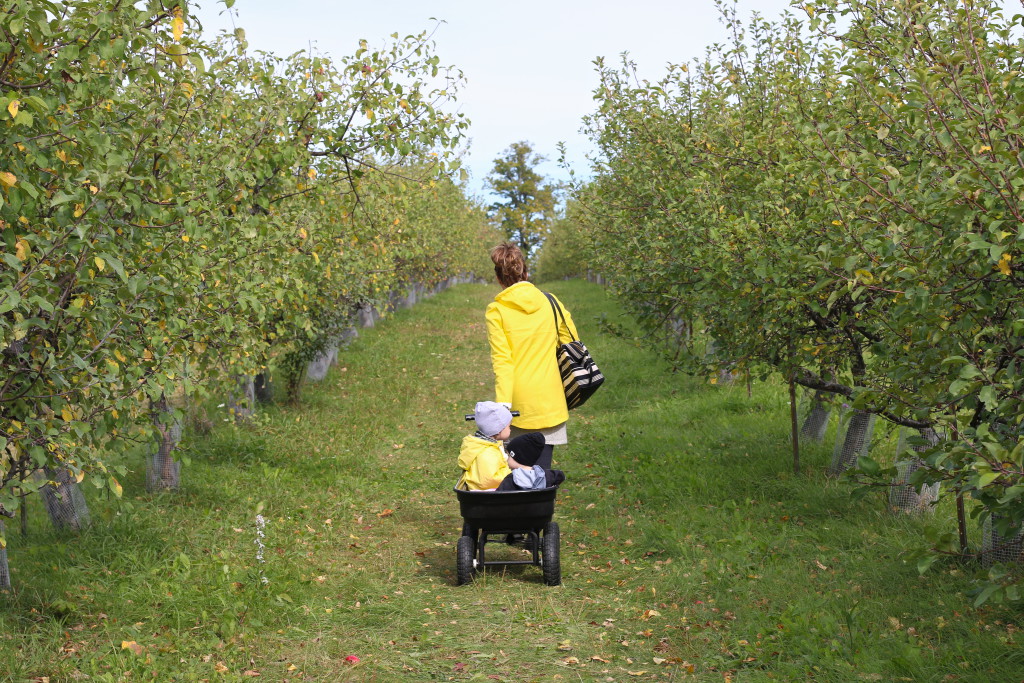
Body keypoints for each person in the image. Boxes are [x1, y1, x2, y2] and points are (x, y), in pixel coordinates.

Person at [486, 242, 580, 469]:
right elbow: (571, 341)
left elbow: (503, 362)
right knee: (542, 472)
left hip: (518, 406)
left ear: (499, 279)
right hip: (551, 402)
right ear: (526, 272)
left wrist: (503, 408)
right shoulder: (551, 302)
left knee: (516, 475)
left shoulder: (497, 311)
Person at [457, 401, 514, 491]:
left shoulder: (486, 445)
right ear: (499, 430)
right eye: (509, 427)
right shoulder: (487, 452)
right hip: (488, 497)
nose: (510, 430)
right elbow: (489, 480)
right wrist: (512, 473)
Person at [497, 432, 566, 491]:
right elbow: (560, 476)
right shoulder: (546, 477)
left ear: (518, 458)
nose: (506, 458)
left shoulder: (510, 480)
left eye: (509, 455)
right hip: (539, 507)